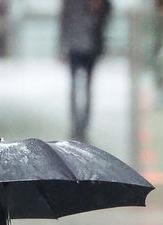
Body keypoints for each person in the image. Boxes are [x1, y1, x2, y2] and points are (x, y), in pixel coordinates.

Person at [60, 0, 111, 140]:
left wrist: (97, 8)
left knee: (87, 86)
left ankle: (83, 124)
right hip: (75, 47)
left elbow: (105, 16)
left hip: (90, 48)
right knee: (75, 87)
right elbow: (65, 20)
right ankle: (76, 123)